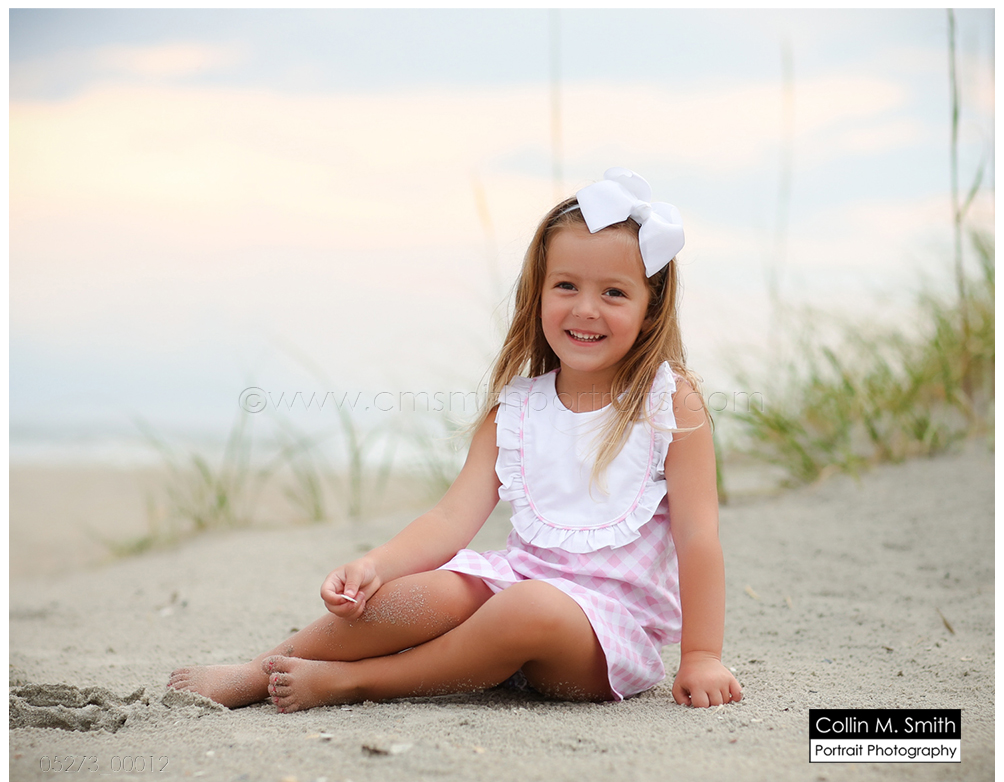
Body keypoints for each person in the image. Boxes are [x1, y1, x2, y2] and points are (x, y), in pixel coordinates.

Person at [168, 168, 743, 712]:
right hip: (518, 589)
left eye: (615, 293)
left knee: (527, 604)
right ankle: (263, 667)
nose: (585, 309)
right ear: (537, 295)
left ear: (649, 310)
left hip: (604, 639)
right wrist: (377, 564)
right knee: (426, 592)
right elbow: (450, 520)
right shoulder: (516, 411)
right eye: (565, 285)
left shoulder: (671, 404)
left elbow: (699, 538)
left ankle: (359, 681)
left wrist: (700, 657)